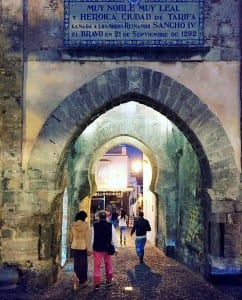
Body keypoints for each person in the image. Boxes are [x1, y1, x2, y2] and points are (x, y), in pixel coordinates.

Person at [92, 210, 118, 289]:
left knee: (97, 266)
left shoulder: (94, 225)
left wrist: (91, 247)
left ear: (99, 217)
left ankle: (97, 283)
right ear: (106, 217)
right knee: (108, 264)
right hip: (107, 248)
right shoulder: (110, 225)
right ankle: (109, 280)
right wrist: (116, 248)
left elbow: (92, 238)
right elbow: (114, 238)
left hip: (97, 248)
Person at [70, 210, 92, 290]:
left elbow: (72, 236)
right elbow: (87, 238)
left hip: (75, 245)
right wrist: (89, 249)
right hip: (82, 246)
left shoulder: (73, 225)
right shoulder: (85, 225)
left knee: (76, 263)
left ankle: (76, 279)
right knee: (83, 264)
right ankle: (83, 280)